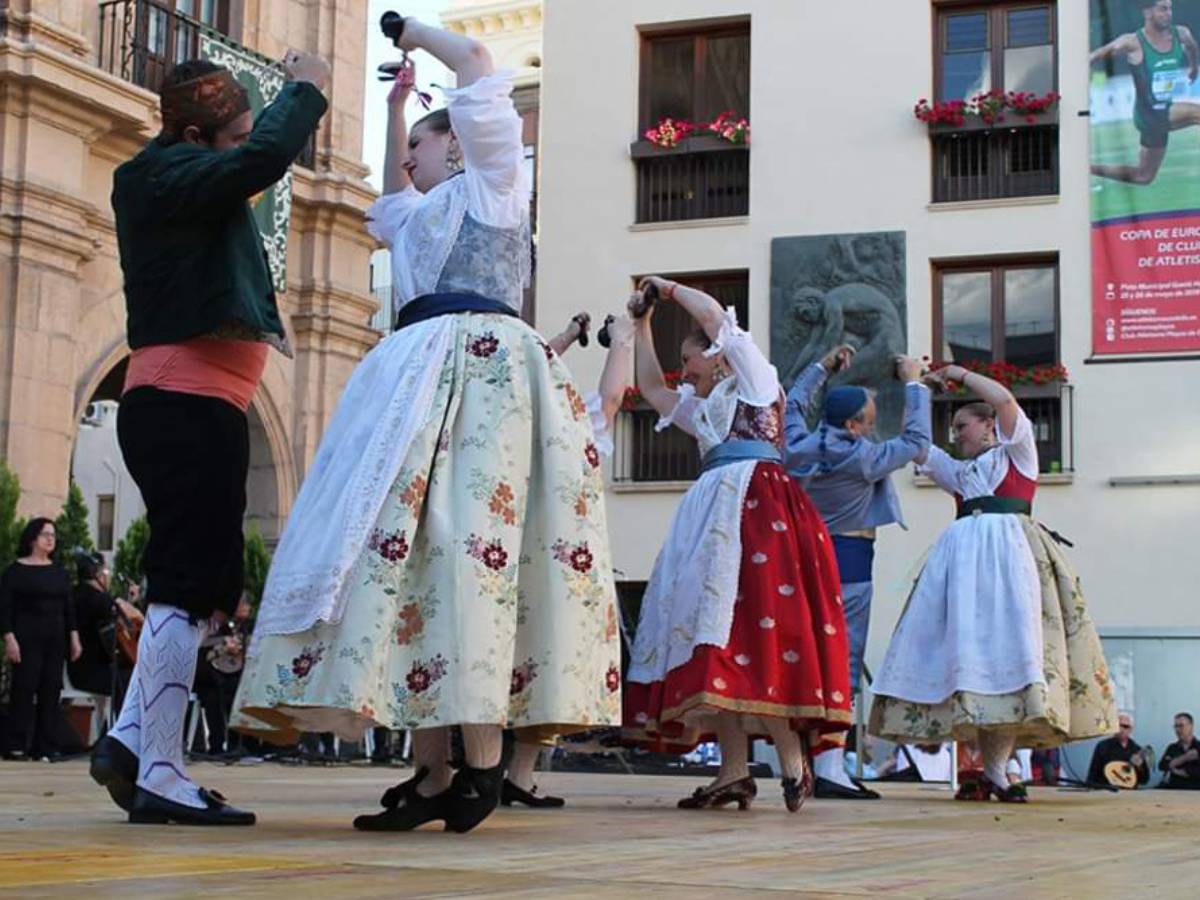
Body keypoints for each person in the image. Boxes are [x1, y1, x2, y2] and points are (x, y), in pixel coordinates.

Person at [233, 19, 620, 835]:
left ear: (461, 145)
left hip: (477, 373)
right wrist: (398, 105)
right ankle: (435, 769)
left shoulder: (496, 183)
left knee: (463, 552)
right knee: (407, 566)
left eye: (423, 142)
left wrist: (410, 32)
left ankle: (477, 756)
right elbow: (390, 202)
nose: (410, 154)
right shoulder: (419, 214)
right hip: (412, 375)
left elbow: (480, 65)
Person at [86, 50, 330, 826]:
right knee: (185, 584)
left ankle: (130, 743)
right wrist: (308, 89)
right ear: (194, 134)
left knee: (201, 583)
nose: (244, 150)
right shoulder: (157, 176)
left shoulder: (185, 176)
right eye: (233, 136)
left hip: (202, 404)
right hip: (183, 402)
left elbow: (253, 158)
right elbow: (264, 158)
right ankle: (159, 770)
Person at [622, 276, 851, 815]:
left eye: (691, 358)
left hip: (758, 510)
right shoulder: (702, 410)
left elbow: (717, 322)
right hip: (711, 514)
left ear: (720, 358)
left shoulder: (754, 381)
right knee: (713, 639)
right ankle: (733, 773)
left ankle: (791, 760)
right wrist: (642, 326)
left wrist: (669, 290)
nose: (684, 370)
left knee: (756, 629)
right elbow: (653, 390)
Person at [868, 363, 1117, 803]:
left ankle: (999, 770)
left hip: (1011, 566)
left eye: (963, 425)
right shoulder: (961, 473)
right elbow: (919, 448)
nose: (957, 434)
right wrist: (913, 386)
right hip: (964, 573)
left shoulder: (1016, 451)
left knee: (1011, 655)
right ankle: (991, 771)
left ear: (988, 426)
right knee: (972, 660)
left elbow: (1005, 400)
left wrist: (957, 373)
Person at [784, 343, 931, 799]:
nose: (872, 428)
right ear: (852, 427)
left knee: (808, 660)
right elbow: (916, 443)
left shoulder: (797, 445)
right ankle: (830, 767)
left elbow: (792, 404)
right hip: (849, 562)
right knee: (842, 661)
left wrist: (821, 367)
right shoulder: (861, 457)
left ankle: (806, 761)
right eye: (868, 421)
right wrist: (914, 383)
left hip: (805, 558)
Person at [1091, 0, 1200, 185]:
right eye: (1163, 9)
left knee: (1144, 176)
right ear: (1148, 12)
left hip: (1164, 111)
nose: (1168, 13)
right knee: (1197, 112)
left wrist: (1194, 67)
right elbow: (1099, 54)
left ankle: (1089, 168)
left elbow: (1192, 46)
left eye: (1170, 8)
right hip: (1148, 114)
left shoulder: (1181, 34)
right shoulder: (1132, 42)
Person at [1, 519, 81, 760]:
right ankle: (16, 744)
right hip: (26, 637)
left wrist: (74, 637)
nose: (51, 539)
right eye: (46, 534)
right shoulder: (15, 571)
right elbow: (4, 608)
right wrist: (9, 637)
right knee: (23, 690)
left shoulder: (58, 571)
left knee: (50, 690)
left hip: (55, 638)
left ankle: (45, 746)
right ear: (32, 538)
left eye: (53, 535)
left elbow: (69, 606)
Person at [69, 552, 141, 709]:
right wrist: (133, 606)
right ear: (97, 573)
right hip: (97, 674)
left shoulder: (72, 594)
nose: (107, 576)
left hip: (75, 673)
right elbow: (129, 623)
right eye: (106, 571)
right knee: (138, 679)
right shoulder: (100, 599)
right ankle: (121, 731)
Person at [1086, 712, 1151, 788]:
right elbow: (1092, 774)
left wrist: (1140, 767)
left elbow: (1144, 780)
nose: (1121, 729)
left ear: (1131, 729)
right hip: (1106, 792)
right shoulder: (1102, 746)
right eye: (1118, 725)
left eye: (1125, 726)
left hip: (1130, 794)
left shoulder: (1137, 749)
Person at [1158, 712, 1200, 789]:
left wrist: (1174, 769)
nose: (1177, 730)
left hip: (1195, 793)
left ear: (1191, 726)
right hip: (1173, 790)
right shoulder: (1172, 747)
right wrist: (1184, 758)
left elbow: (1197, 772)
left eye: (1181, 726)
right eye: (1175, 726)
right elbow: (1162, 766)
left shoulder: (1198, 747)